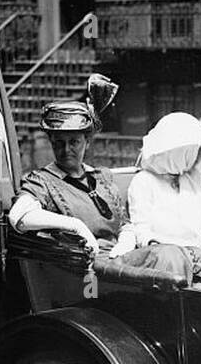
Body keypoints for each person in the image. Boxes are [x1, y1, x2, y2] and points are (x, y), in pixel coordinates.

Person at [8, 76, 125, 259]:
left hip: (120, 259)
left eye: (74, 142)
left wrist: (126, 241)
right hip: (84, 268)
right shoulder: (42, 181)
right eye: (58, 143)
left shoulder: (102, 177)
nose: (66, 150)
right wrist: (74, 225)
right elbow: (19, 217)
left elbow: (124, 223)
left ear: (87, 142)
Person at [111, 112, 201, 264]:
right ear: (175, 153)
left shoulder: (193, 177)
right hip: (169, 257)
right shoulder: (143, 181)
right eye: (192, 151)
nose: (197, 156)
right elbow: (141, 230)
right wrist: (158, 247)